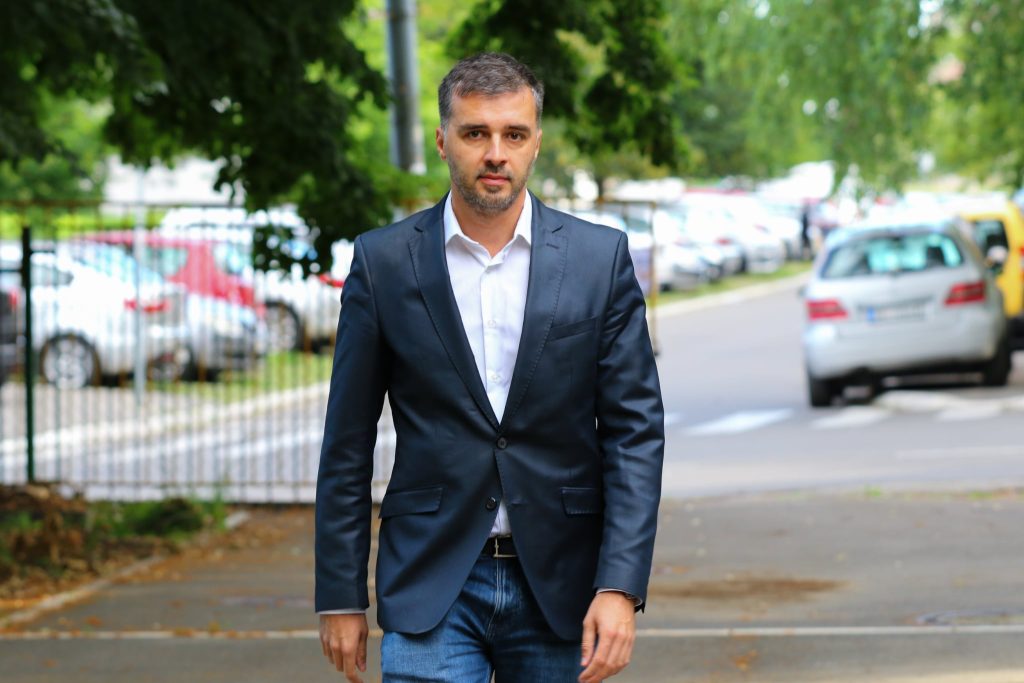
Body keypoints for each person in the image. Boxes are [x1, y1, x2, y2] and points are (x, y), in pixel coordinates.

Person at [315, 52, 664, 683]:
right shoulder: (383, 263)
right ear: (443, 141)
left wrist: (620, 585)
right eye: (476, 133)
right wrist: (340, 594)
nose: (496, 153)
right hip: (431, 580)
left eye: (514, 135)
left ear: (537, 143)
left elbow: (634, 435)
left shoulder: (599, 259)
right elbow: (347, 442)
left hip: (562, 584)